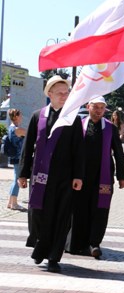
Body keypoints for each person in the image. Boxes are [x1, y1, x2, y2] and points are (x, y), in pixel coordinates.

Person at [18, 75, 84, 273]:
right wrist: (23, 173)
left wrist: (78, 176)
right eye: (60, 93)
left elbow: (79, 149)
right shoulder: (38, 116)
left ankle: (54, 256)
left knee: (60, 216)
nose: (64, 96)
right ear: (50, 94)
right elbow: (28, 145)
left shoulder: (73, 119)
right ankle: (40, 246)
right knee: (37, 214)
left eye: (67, 92)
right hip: (39, 176)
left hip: (64, 177)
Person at [69, 96, 124, 258]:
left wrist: (122, 176)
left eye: (102, 108)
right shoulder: (78, 126)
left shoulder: (110, 128)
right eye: (96, 107)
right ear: (88, 107)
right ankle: (77, 243)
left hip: (103, 176)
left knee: (100, 210)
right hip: (80, 176)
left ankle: (94, 243)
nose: (99, 111)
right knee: (79, 208)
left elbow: (119, 153)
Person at [6, 108, 26, 211]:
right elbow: (30, 134)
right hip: (18, 158)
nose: (22, 117)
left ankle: (10, 202)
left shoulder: (11, 128)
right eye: (20, 115)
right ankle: (14, 203)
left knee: (15, 178)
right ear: (16, 116)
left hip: (13, 157)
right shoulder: (17, 129)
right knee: (17, 180)